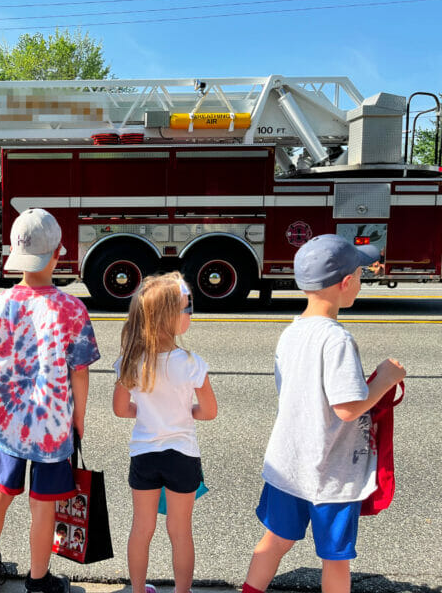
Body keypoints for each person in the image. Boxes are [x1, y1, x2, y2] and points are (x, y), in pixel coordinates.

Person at [241, 234, 406, 593]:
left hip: (289, 463)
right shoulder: (338, 340)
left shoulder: (292, 332)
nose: (361, 282)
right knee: (335, 558)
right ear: (346, 283)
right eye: (361, 275)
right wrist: (385, 379)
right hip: (330, 471)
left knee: (274, 541)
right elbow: (347, 408)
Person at [0, 208, 101, 593]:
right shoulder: (71, 309)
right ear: (58, 251)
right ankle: (39, 580)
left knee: (0, 492)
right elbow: (80, 372)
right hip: (53, 424)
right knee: (43, 505)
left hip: (10, 422)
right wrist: (79, 420)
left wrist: (1, 404)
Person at [113, 272, 218, 593]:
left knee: (141, 529)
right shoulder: (191, 363)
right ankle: (182, 591)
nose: (190, 314)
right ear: (169, 317)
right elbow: (210, 412)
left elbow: (120, 409)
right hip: (182, 455)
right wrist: (187, 413)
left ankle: (137, 588)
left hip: (144, 455)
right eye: (187, 309)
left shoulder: (131, 361)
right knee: (180, 531)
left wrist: (143, 412)